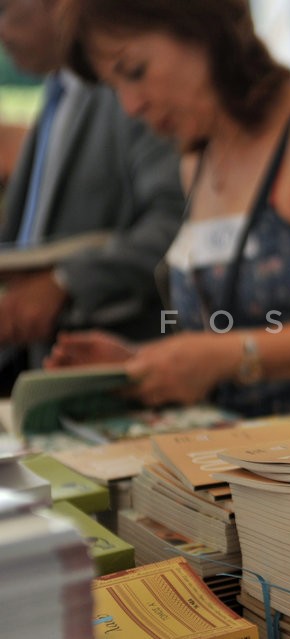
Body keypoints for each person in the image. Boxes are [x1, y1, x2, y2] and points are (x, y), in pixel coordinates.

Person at [46, 0, 290, 417]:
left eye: (135, 71)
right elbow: (232, 339)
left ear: (203, 28)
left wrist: (224, 357)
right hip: (264, 449)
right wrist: (145, 364)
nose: (130, 106)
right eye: (114, 87)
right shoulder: (197, 163)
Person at [0, 0, 184, 385]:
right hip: (40, 368)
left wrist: (64, 282)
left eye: (3, 9)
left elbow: (175, 221)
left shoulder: (132, 88)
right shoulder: (57, 93)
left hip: (130, 369)